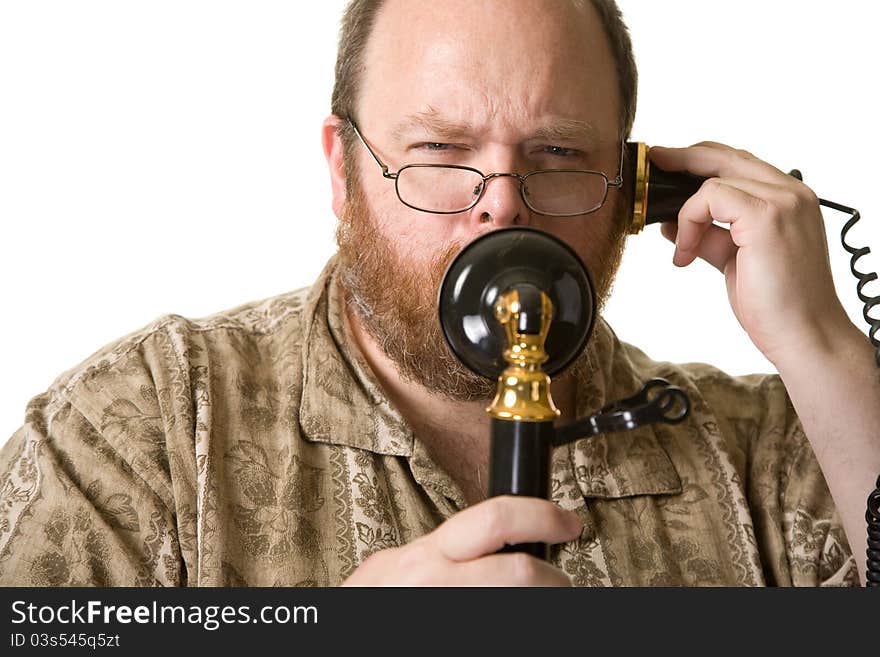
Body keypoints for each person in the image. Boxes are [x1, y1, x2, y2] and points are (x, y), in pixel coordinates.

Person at [1, 0, 877, 587]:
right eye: (439, 151)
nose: (500, 203)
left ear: (635, 190)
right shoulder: (140, 426)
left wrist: (825, 348)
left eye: (560, 155)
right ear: (344, 172)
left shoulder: (778, 452)